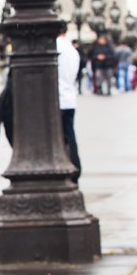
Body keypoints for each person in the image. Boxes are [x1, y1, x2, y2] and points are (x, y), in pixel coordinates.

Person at [57, 26, 82, 183]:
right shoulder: (72, 50)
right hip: (69, 97)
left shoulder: (55, 46)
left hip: (57, 98)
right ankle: (74, 167)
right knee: (70, 136)